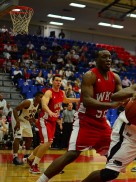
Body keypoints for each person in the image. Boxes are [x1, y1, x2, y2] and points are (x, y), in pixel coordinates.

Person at [37, 50, 123, 182]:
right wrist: (111, 105)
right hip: (85, 120)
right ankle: (41, 180)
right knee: (71, 154)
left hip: (102, 122)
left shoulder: (115, 77)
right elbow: (87, 101)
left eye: (109, 57)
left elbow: (121, 96)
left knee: (114, 158)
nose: (108, 60)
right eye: (104, 57)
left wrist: (133, 95)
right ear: (97, 60)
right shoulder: (90, 76)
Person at [24, 74, 79, 174]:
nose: (58, 82)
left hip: (52, 122)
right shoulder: (49, 92)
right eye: (56, 80)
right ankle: (34, 165)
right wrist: (49, 112)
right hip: (45, 120)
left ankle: (30, 158)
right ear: (52, 81)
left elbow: (66, 100)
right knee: (47, 143)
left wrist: (78, 99)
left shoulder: (62, 92)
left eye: (60, 81)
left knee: (43, 144)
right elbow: (44, 104)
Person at [11, 92, 44, 165]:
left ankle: (26, 155)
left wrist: (35, 122)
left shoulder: (38, 105)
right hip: (17, 119)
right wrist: (17, 121)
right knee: (18, 136)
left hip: (25, 120)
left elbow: (30, 115)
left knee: (29, 138)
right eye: (40, 97)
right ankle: (15, 157)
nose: (42, 99)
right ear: (36, 97)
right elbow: (15, 110)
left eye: (42, 97)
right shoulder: (28, 102)